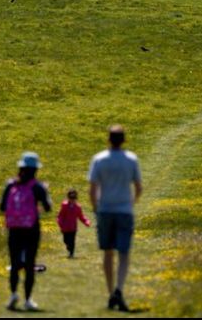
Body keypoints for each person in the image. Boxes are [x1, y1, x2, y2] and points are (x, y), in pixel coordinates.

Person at [88, 124, 142, 312]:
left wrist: (96, 208)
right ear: (124, 140)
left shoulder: (99, 159)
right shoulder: (131, 159)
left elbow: (92, 189)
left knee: (108, 252)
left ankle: (110, 292)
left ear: (108, 139)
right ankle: (119, 288)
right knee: (124, 252)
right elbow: (138, 188)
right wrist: (131, 203)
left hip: (105, 210)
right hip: (124, 210)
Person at [0, 151, 52, 311]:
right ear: (35, 169)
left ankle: (13, 294)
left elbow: (2, 207)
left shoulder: (11, 185)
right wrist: (45, 192)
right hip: (31, 229)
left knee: (14, 263)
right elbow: (48, 208)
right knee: (30, 264)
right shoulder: (37, 187)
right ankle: (28, 300)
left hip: (14, 228)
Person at [57, 188, 91, 258]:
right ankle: (69, 247)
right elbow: (61, 215)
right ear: (68, 198)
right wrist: (60, 223)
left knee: (72, 241)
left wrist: (86, 221)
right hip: (65, 227)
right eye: (71, 198)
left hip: (73, 228)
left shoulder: (77, 207)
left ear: (76, 198)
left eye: (74, 198)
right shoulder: (64, 205)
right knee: (65, 240)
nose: (72, 200)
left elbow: (81, 216)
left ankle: (71, 254)